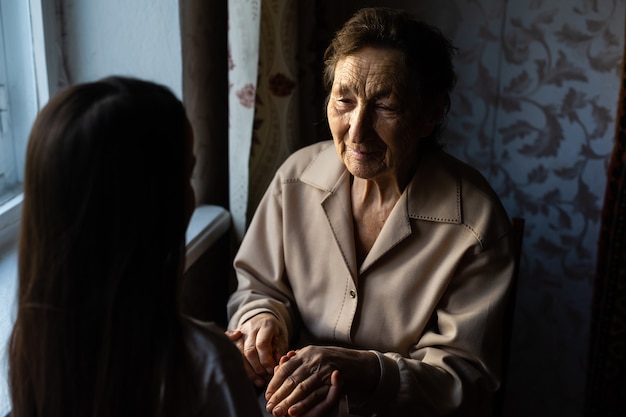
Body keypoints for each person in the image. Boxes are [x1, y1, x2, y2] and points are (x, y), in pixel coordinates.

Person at [226, 7, 515, 417]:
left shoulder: (475, 224)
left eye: (385, 106)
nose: (356, 131)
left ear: (429, 115)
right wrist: (262, 320)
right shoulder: (296, 180)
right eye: (344, 100)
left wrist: (368, 371)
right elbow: (258, 286)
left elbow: (465, 380)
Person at [8, 76, 262, 417]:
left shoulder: (31, 347)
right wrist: (213, 359)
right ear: (153, 208)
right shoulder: (209, 369)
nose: (192, 195)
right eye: (186, 176)